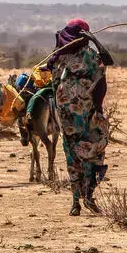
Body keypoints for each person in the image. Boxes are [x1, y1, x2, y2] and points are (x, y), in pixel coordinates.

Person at [41, 18, 114, 216]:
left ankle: (75, 202)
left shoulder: (57, 58)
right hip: (87, 116)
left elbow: (54, 86)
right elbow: (103, 77)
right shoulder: (89, 56)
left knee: (72, 156)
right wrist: (97, 108)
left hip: (65, 118)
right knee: (94, 151)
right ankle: (88, 196)